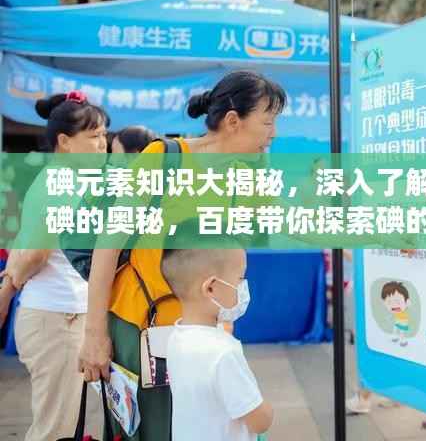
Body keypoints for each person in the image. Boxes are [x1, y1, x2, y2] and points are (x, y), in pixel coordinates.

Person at [77, 71, 286, 441]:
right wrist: (94, 333)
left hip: (203, 335)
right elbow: (108, 245)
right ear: (233, 121)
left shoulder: (246, 175)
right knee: (152, 431)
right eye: (268, 122)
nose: (274, 133)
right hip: (141, 327)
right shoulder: (164, 159)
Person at [0, 90, 109, 441]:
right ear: (64, 141)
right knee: (55, 430)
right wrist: (9, 287)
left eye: (104, 135)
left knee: (66, 426)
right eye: (93, 136)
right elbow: (35, 253)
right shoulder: (60, 183)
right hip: (58, 319)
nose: (102, 144)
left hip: (61, 315)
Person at [163, 244, 273, 441]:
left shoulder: (175, 338)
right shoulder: (224, 352)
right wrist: (267, 410)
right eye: (240, 278)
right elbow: (259, 421)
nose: (243, 287)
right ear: (211, 288)